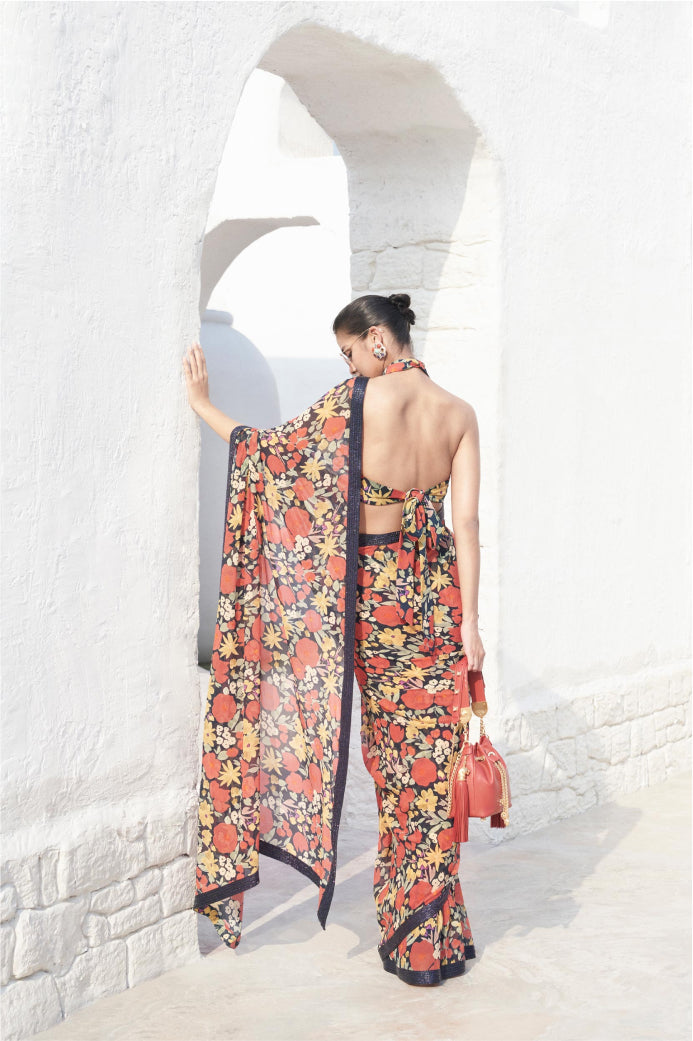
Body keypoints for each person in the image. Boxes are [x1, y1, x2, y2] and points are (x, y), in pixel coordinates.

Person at [183, 292, 485, 987]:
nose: (349, 365)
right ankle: (434, 927)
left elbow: (272, 459)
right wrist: (470, 623)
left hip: (375, 602)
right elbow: (465, 526)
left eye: (350, 351)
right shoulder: (460, 413)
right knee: (430, 761)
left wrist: (203, 406)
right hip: (439, 603)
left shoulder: (357, 402)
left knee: (395, 763)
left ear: (378, 339)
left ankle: (411, 930)